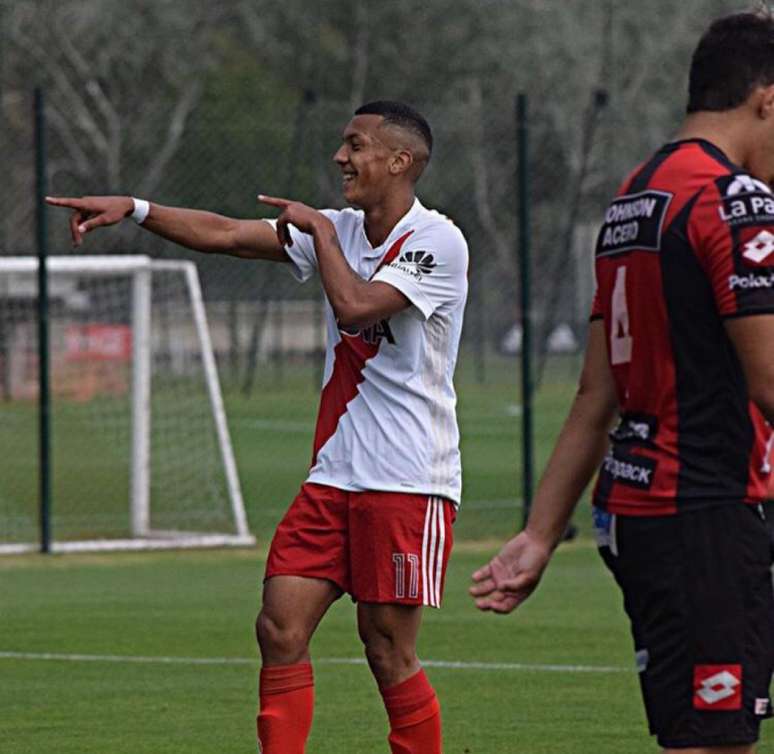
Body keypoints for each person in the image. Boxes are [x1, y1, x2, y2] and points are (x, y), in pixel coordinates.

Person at [47, 100, 468, 754]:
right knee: (279, 629)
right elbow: (224, 233)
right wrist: (135, 208)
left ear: (399, 160)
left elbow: (356, 309)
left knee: (386, 649)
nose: (340, 157)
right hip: (334, 475)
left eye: (355, 145)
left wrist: (322, 237)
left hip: (409, 480)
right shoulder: (339, 228)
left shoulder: (437, 242)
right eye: (341, 144)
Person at [470, 11, 774, 754]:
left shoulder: (635, 199)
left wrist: (541, 535)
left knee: (697, 736)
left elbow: (594, 397)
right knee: (713, 743)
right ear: (767, 98)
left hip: (641, 512)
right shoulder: (734, 205)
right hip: (707, 506)